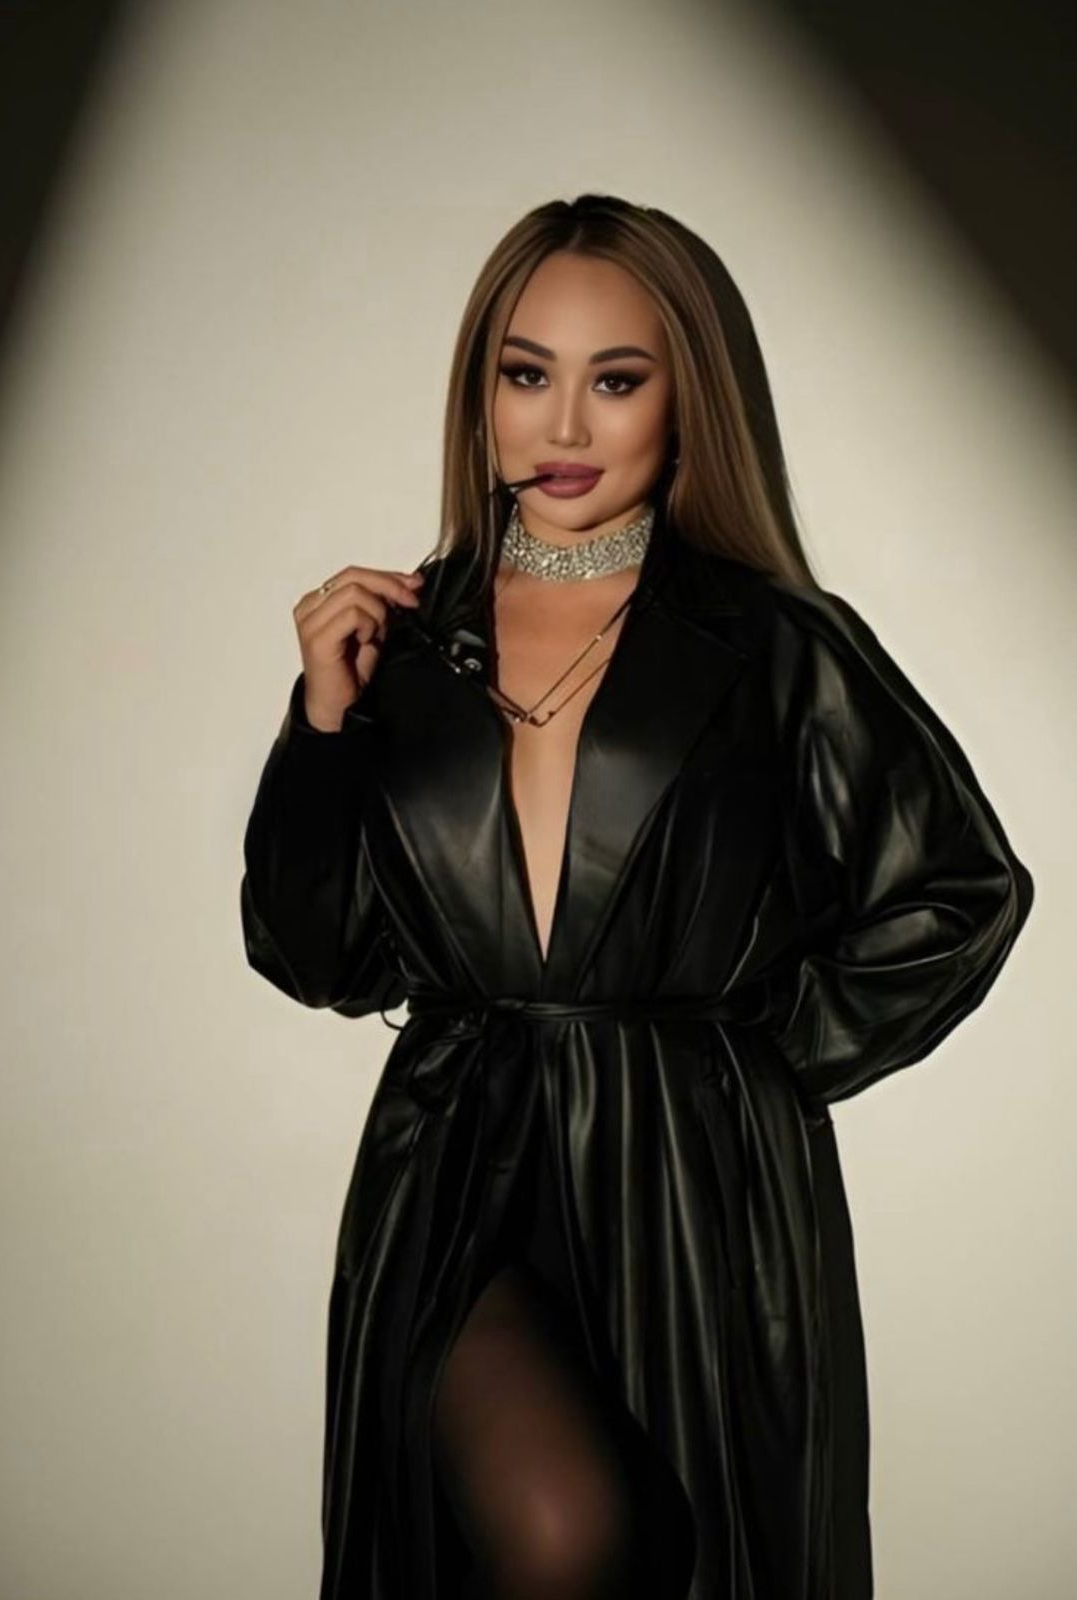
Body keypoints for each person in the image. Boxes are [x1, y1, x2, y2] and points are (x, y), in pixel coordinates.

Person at [239, 194, 1034, 1600]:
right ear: (479, 390)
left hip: (695, 1190)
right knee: (559, 1536)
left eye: (615, 381)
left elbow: (958, 886)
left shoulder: (775, 643)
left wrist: (752, 1063)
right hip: (457, 1169)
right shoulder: (402, 644)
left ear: (686, 400)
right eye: (525, 373)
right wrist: (322, 725)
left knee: (692, 1559)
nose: (562, 425)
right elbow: (319, 956)